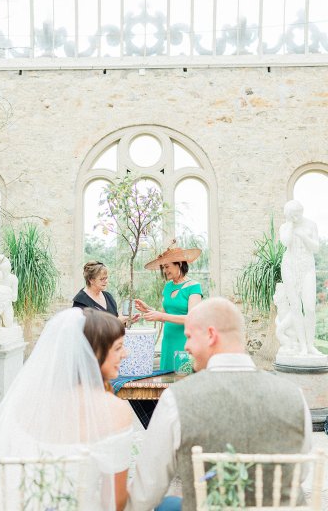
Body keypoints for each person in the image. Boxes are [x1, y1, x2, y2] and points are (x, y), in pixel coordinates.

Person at [126, 297, 312, 511]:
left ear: (211, 335)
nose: (186, 346)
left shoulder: (177, 399)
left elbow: (144, 494)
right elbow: (301, 471)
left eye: (189, 337)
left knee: (167, 504)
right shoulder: (294, 396)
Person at [0, 307, 133, 511]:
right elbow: (114, 502)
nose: (125, 354)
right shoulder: (116, 411)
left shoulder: (23, 403)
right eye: (118, 348)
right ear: (94, 352)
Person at [134, 245, 203, 371]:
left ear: (180, 264)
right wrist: (148, 310)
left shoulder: (194, 287)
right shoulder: (168, 287)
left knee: (182, 379)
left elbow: (192, 319)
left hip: (185, 340)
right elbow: (165, 316)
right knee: (166, 381)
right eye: (163, 268)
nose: (165, 271)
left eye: (167, 267)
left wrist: (160, 316)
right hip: (168, 341)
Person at [279, 199, 322, 356]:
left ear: (300, 212)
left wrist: (303, 236)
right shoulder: (285, 226)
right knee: (295, 307)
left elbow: (316, 248)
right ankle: (302, 346)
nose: (293, 218)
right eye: (290, 216)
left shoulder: (311, 224)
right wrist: (290, 225)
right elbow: (285, 242)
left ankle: (310, 345)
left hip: (307, 268)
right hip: (290, 267)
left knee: (309, 308)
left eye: (295, 215)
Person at [73, 260, 139, 324]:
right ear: (91, 280)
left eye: (106, 278)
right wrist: (117, 321)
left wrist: (127, 321)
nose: (106, 281)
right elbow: (88, 329)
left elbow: (115, 321)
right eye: (102, 279)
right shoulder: (80, 302)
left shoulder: (108, 297)